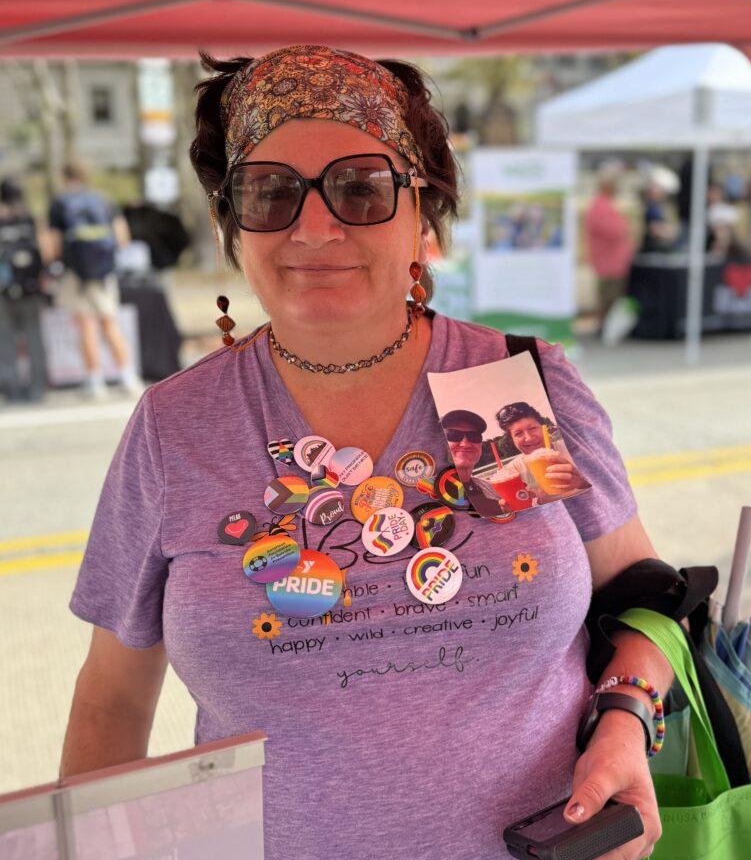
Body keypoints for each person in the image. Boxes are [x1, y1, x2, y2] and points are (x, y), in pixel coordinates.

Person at [62, 45, 667, 860]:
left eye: (361, 187)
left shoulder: (503, 388)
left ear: (422, 213)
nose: (316, 226)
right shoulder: (179, 429)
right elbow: (110, 703)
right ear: (230, 225)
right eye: (271, 193)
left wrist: (628, 718)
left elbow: (643, 600)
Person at [48, 162, 139, 397]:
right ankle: (128, 377)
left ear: (64, 177)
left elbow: (54, 245)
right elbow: (123, 237)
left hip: (75, 272)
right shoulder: (104, 200)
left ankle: (96, 383)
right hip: (104, 271)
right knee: (110, 323)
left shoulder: (59, 203)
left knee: (86, 325)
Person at [0, 177, 48, 402]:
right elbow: (46, 251)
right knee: (33, 338)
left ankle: (11, 389)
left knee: (6, 341)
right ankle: (38, 387)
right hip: (30, 288)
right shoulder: (32, 219)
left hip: (5, 291)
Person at [493, 401, 591, 502]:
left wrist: (581, 483)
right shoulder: (512, 471)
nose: (529, 438)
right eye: (518, 434)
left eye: (532, 428)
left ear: (544, 427)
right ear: (512, 440)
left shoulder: (575, 449)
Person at [584, 161, 634, 329]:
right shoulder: (600, 206)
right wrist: (625, 226)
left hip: (613, 261)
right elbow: (616, 230)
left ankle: (607, 326)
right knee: (609, 298)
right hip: (609, 262)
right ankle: (605, 327)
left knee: (611, 297)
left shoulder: (603, 204)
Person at [440, 408, 508, 516]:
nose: (465, 444)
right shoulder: (431, 495)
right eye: (453, 435)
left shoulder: (493, 489)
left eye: (474, 436)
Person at [640, 164, 681, 253]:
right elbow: (654, 229)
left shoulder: (660, 207)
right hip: (652, 250)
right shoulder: (651, 207)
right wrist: (670, 233)